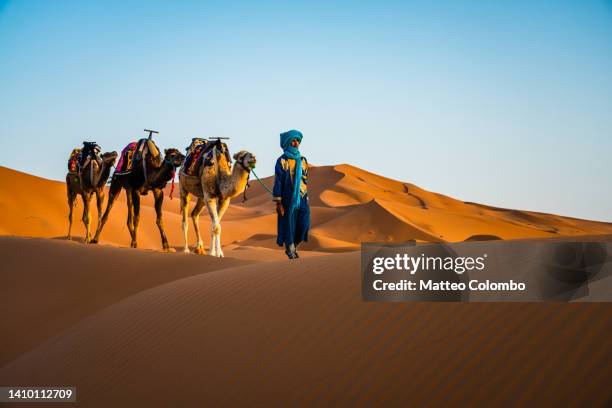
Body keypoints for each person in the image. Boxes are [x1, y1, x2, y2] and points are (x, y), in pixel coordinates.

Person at [273, 130, 311, 259]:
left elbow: (305, 180)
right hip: (287, 198)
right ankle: (290, 250)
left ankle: (294, 245)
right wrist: (278, 202)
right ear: (287, 143)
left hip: (302, 197)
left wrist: (306, 196)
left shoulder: (303, 160)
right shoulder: (282, 161)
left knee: (304, 224)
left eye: (297, 141)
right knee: (288, 225)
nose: (296, 143)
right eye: (293, 141)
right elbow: (278, 181)